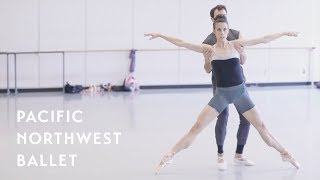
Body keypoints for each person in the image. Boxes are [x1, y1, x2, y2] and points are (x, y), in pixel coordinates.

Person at [144, 14, 300, 174]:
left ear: (228, 30)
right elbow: (182, 43)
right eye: (219, 30)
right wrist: (160, 35)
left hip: (240, 93)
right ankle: (168, 156)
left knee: (262, 127)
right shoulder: (209, 49)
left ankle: (285, 154)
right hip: (221, 95)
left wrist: (284, 32)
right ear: (214, 31)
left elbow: (263, 39)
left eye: (225, 29)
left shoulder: (236, 45)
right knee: (196, 127)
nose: (222, 32)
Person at [202, 5, 253, 170]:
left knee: (246, 119)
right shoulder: (208, 41)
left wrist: (242, 53)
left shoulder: (237, 35)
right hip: (220, 87)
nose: (221, 19)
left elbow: (243, 60)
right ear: (212, 21)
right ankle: (220, 155)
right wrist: (207, 60)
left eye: (224, 15)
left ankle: (239, 155)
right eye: (218, 17)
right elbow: (207, 69)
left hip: (239, 85)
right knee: (222, 118)